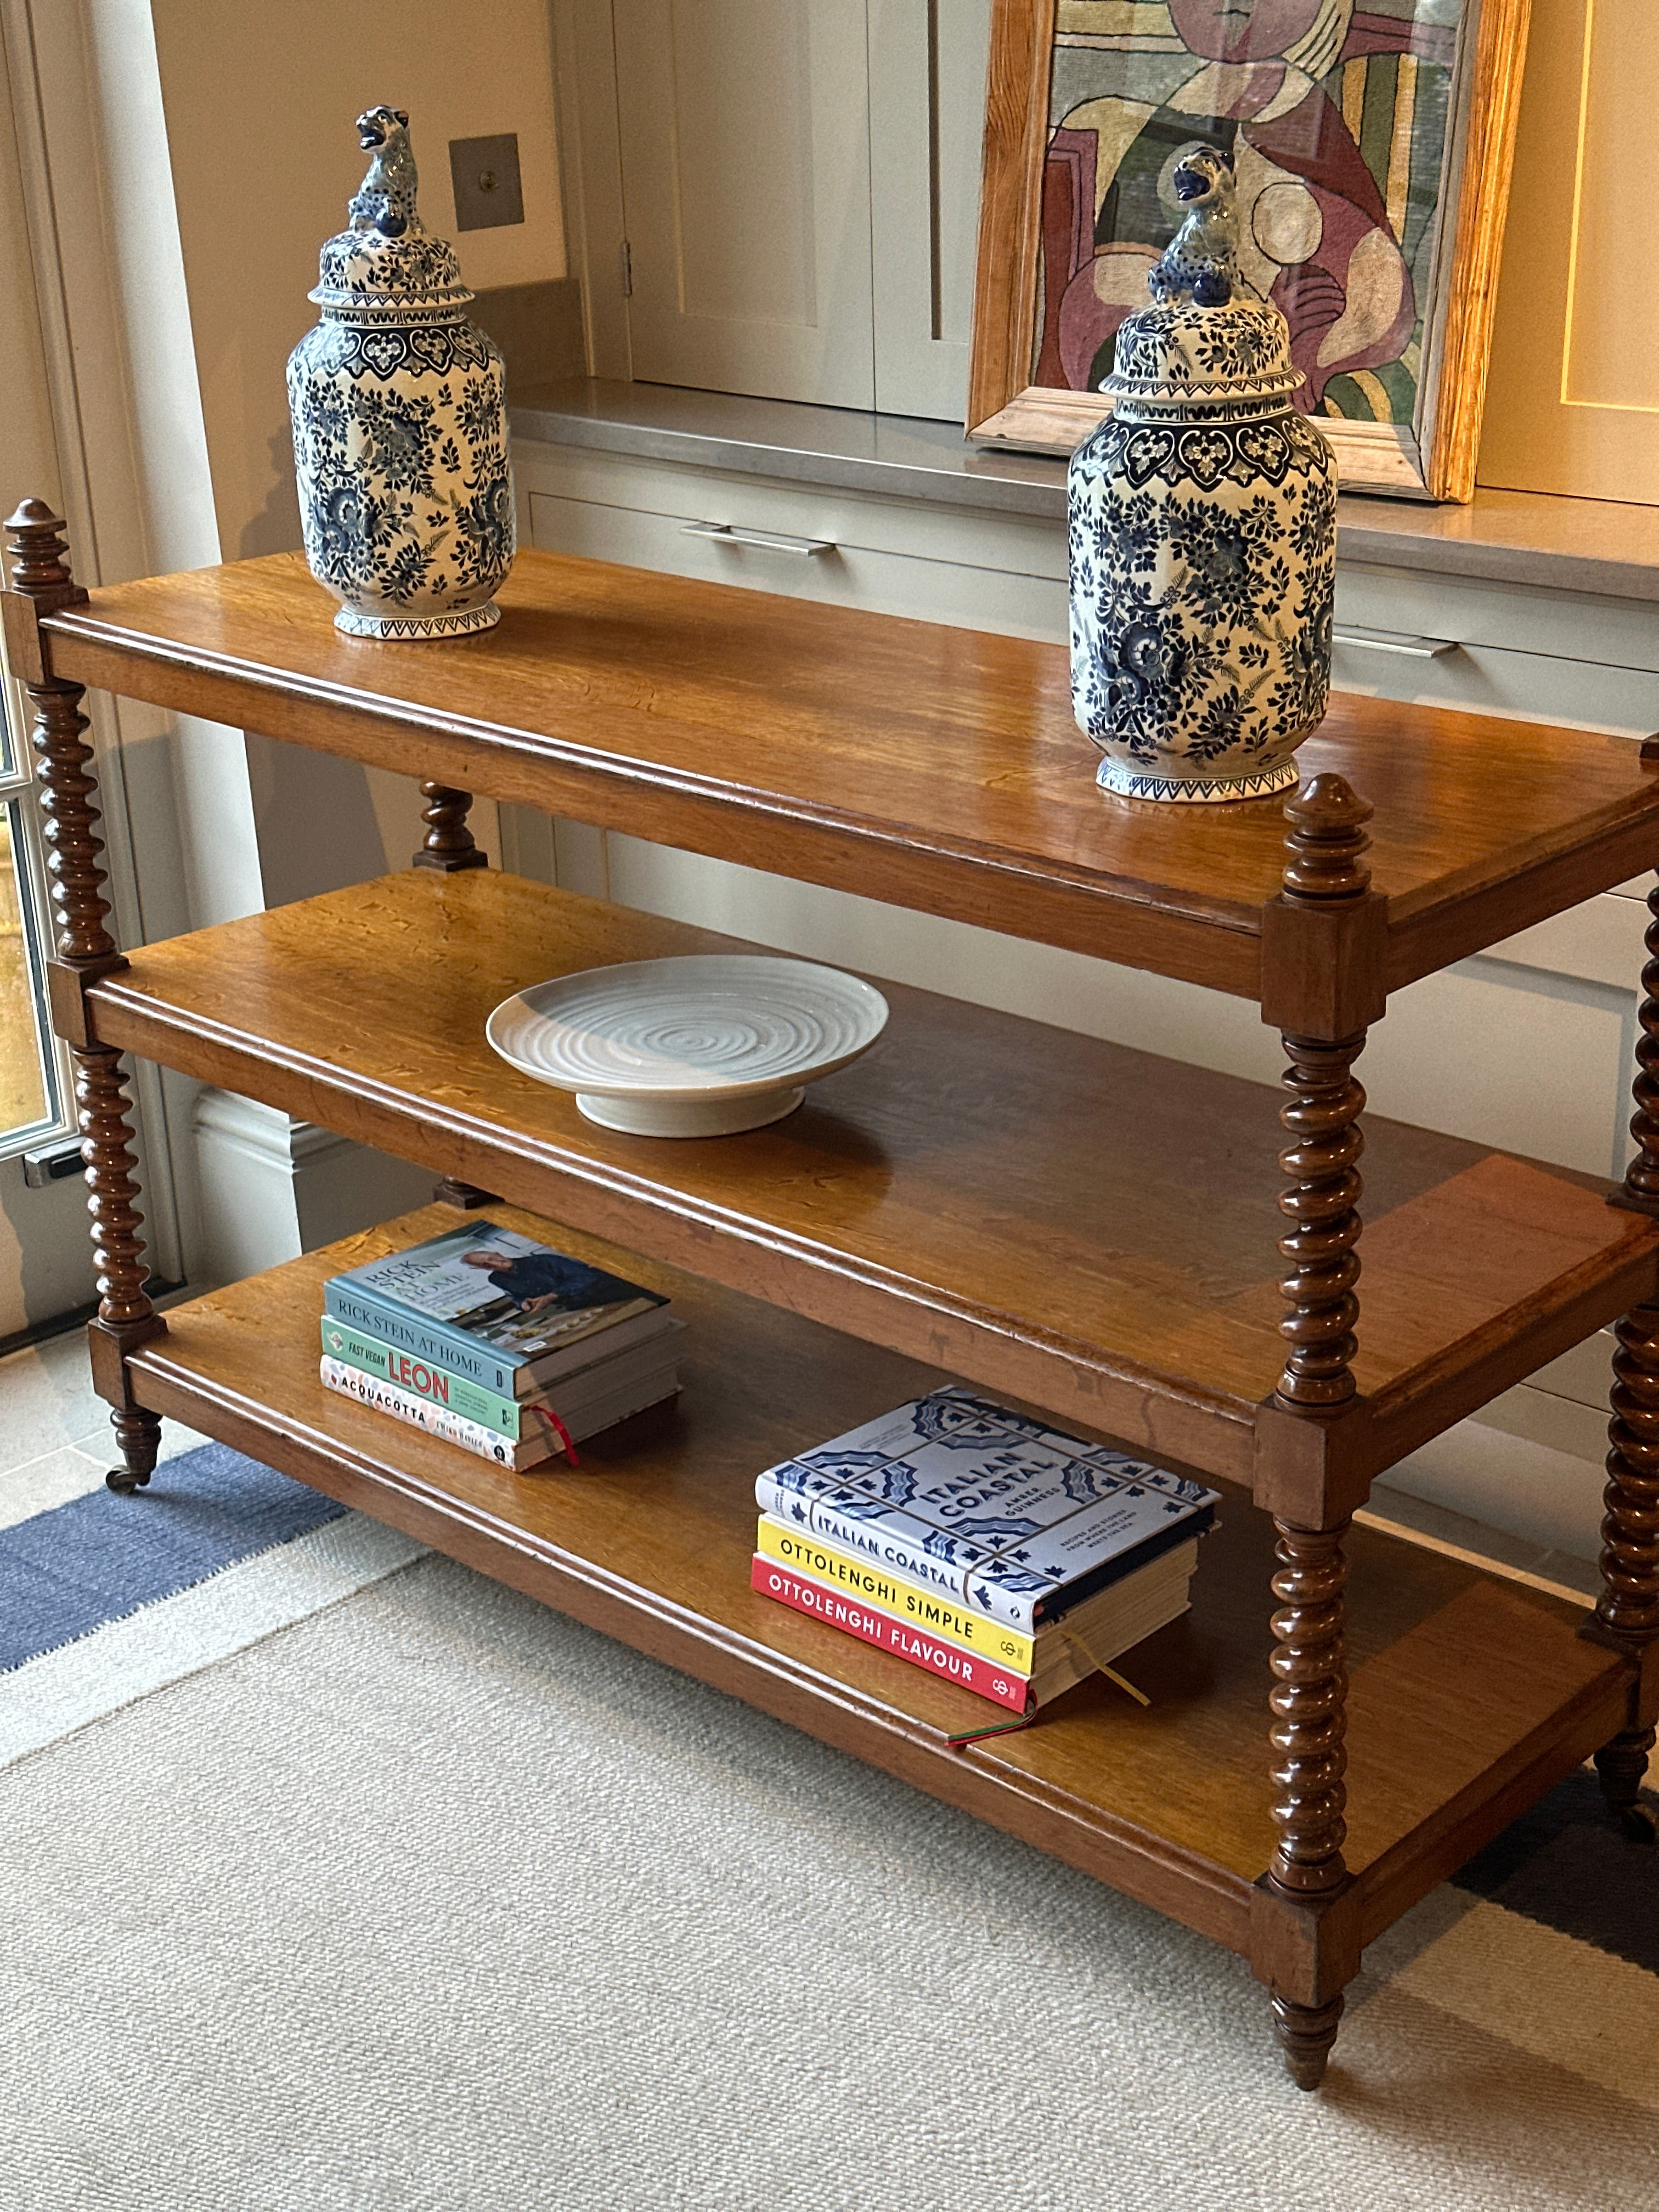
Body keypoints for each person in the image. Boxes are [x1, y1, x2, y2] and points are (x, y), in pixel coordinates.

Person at [460, 1245, 645, 1314]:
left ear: (497, 1253)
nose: (495, 1264)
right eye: (486, 1265)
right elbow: (516, 1296)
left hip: (611, 1293)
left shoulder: (541, 1261)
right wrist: (523, 1304)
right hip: (579, 1310)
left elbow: (588, 1277)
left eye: (491, 1258)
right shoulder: (497, 1279)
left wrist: (552, 1296)